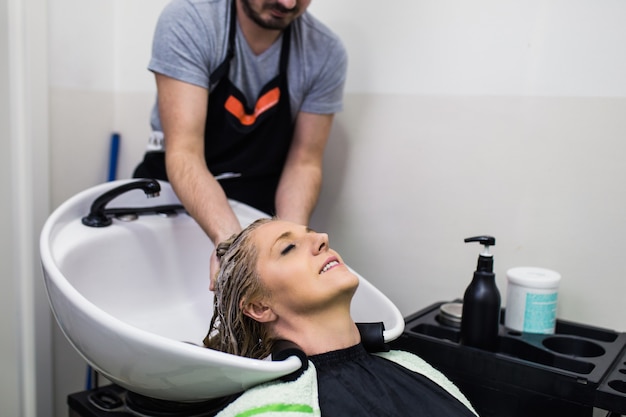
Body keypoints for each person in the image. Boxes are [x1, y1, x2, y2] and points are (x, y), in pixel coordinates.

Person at [133, 0, 347, 285]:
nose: (288, 3)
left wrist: (290, 245)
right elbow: (185, 152)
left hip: (256, 198)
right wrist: (233, 247)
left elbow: (303, 163)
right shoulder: (191, 20)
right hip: (173, 195)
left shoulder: (324, 52)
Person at [204, 218, 479, 417]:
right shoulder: (271, 409)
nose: (322, 237)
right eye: (288, 248)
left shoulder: (412, 366)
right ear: (258, 306)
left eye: (312, 234)